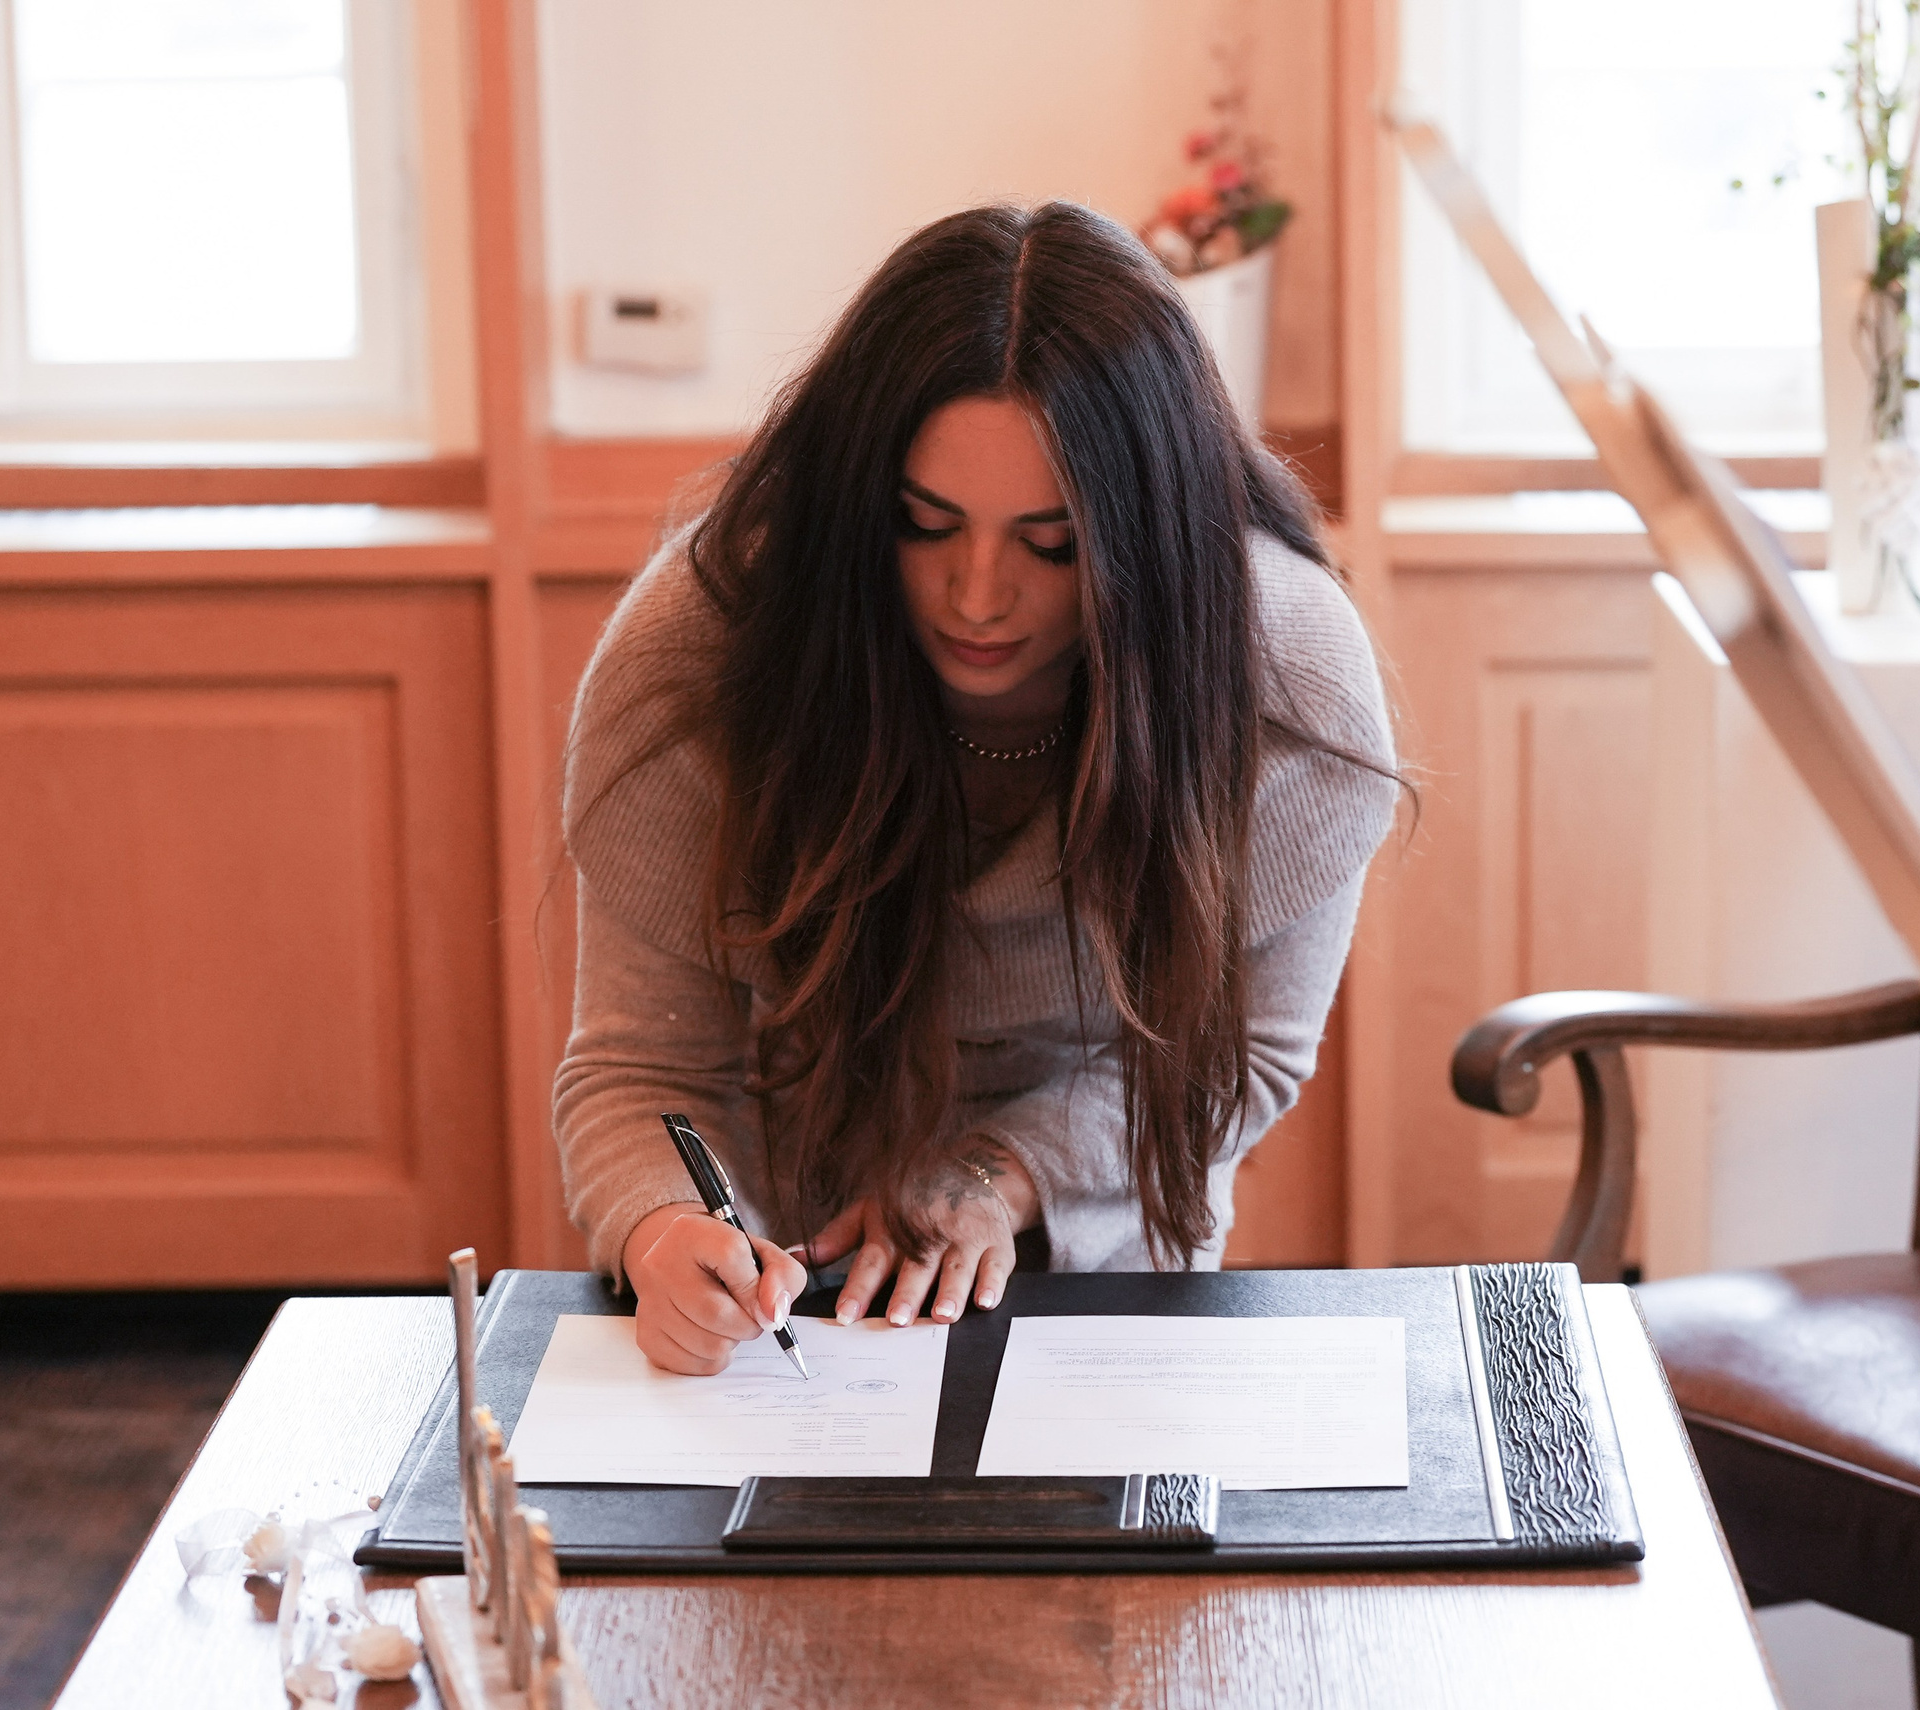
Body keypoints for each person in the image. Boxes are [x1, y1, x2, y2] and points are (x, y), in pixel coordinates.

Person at [555, 201, 1397, 1376]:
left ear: (1151, 538)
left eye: (1052, 544)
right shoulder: (703, 659)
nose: (978, 597)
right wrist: (664, 1229)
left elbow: (1242, 1054)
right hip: (794, 1285)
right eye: (923, 524)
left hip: (1115, 1258)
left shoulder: (1284, 683)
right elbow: (643, 1067)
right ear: (854, 505)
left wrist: (999, 1171)